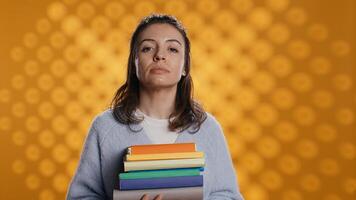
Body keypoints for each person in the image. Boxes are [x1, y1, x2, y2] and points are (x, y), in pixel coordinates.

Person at [66, 13, 244, 200]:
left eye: (172, 49)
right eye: (147, 48)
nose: (160, 55)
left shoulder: (208, 128)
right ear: (134, 63)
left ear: (185, 67)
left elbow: (227, 195)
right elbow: (81, 197)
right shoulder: (105, 127)